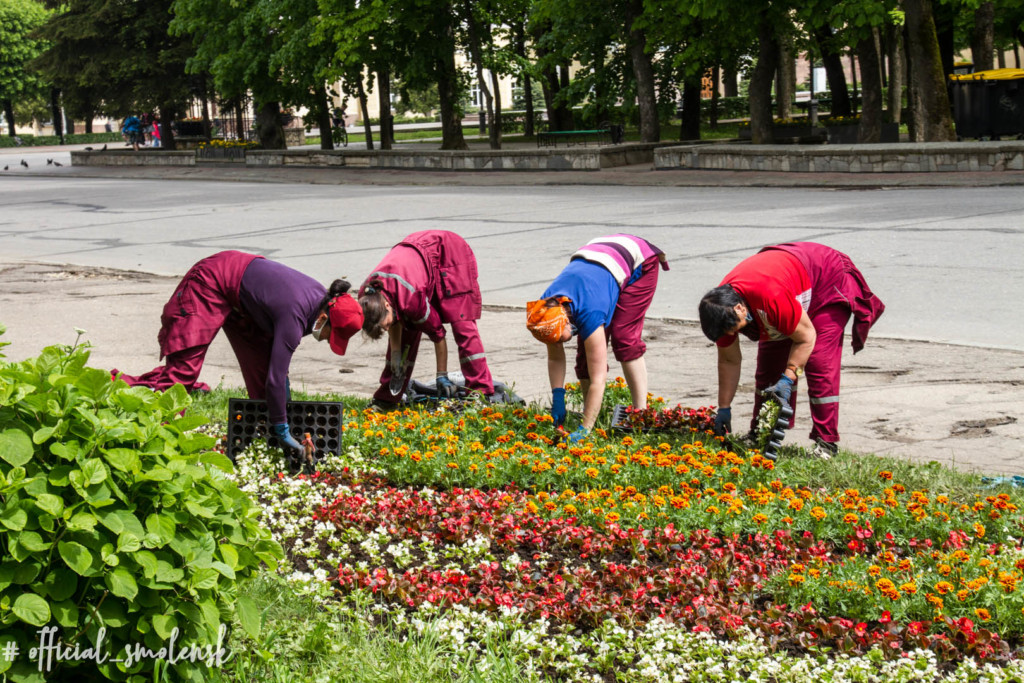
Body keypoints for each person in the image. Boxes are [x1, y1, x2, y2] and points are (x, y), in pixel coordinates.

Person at [114, 251, 363, 459]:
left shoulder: (319, 302)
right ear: (323, 318)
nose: (327, 340)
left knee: (261, 379)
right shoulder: (296, 315)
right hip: (210, 281)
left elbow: (274, 370)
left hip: (242, 300)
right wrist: (283, 428)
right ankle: (157, 438)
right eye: (331, 334)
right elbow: (276, 379)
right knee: (184, 370)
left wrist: (281, 398)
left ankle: (265, 433)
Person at [698, 242, 885, 459]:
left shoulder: (769, 296)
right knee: (768, 369)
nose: (738, 334)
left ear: (740, 309)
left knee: (818, 362)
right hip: (786, 289)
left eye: (737, 329)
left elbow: (806, 338)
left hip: (826, 281)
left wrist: (788, 377)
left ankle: (827, 443)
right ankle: (760, 432)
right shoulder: (719, 310)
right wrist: (724, 408)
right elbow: (729, 361)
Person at [526, 235, 669, 442]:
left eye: (562, 338)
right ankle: (593, 411)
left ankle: (641, 413)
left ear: (566, 320)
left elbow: (599, 379)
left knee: (624, 338)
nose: (560, 343)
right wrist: (558, 397)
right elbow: (555, 357)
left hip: (638, 259)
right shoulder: (546, 308)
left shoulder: (589, 312)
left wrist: (585, 429)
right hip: (597, 259)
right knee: (585, 354)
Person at [358, 230, 494, 408]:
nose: (387, 329)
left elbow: (438, 334)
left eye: (386, 325)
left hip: (449, 253)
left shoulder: (411, 299)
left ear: (386, 306)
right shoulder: (367, 297)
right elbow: (394, 323)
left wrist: (441, 375)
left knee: (463, 325)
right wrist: (397, 358)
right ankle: (387, 398)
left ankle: (480, 393)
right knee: (405, 330)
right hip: (418, 256)